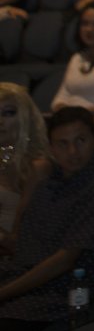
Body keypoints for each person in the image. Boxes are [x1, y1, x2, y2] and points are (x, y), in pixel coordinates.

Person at [0, 106, 94, 331]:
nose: (72, 152)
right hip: (22, 275)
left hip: (59, 291)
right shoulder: (48, 183)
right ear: (51, 147)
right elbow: (24, 242)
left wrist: (3, 293)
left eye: (81, 141)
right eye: (62, 144)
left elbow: (65, 260)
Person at [0, 85, 50, 251]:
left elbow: (20, 237)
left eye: (8, 113)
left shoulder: (38, 166)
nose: (0, 121)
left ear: (25, 117)